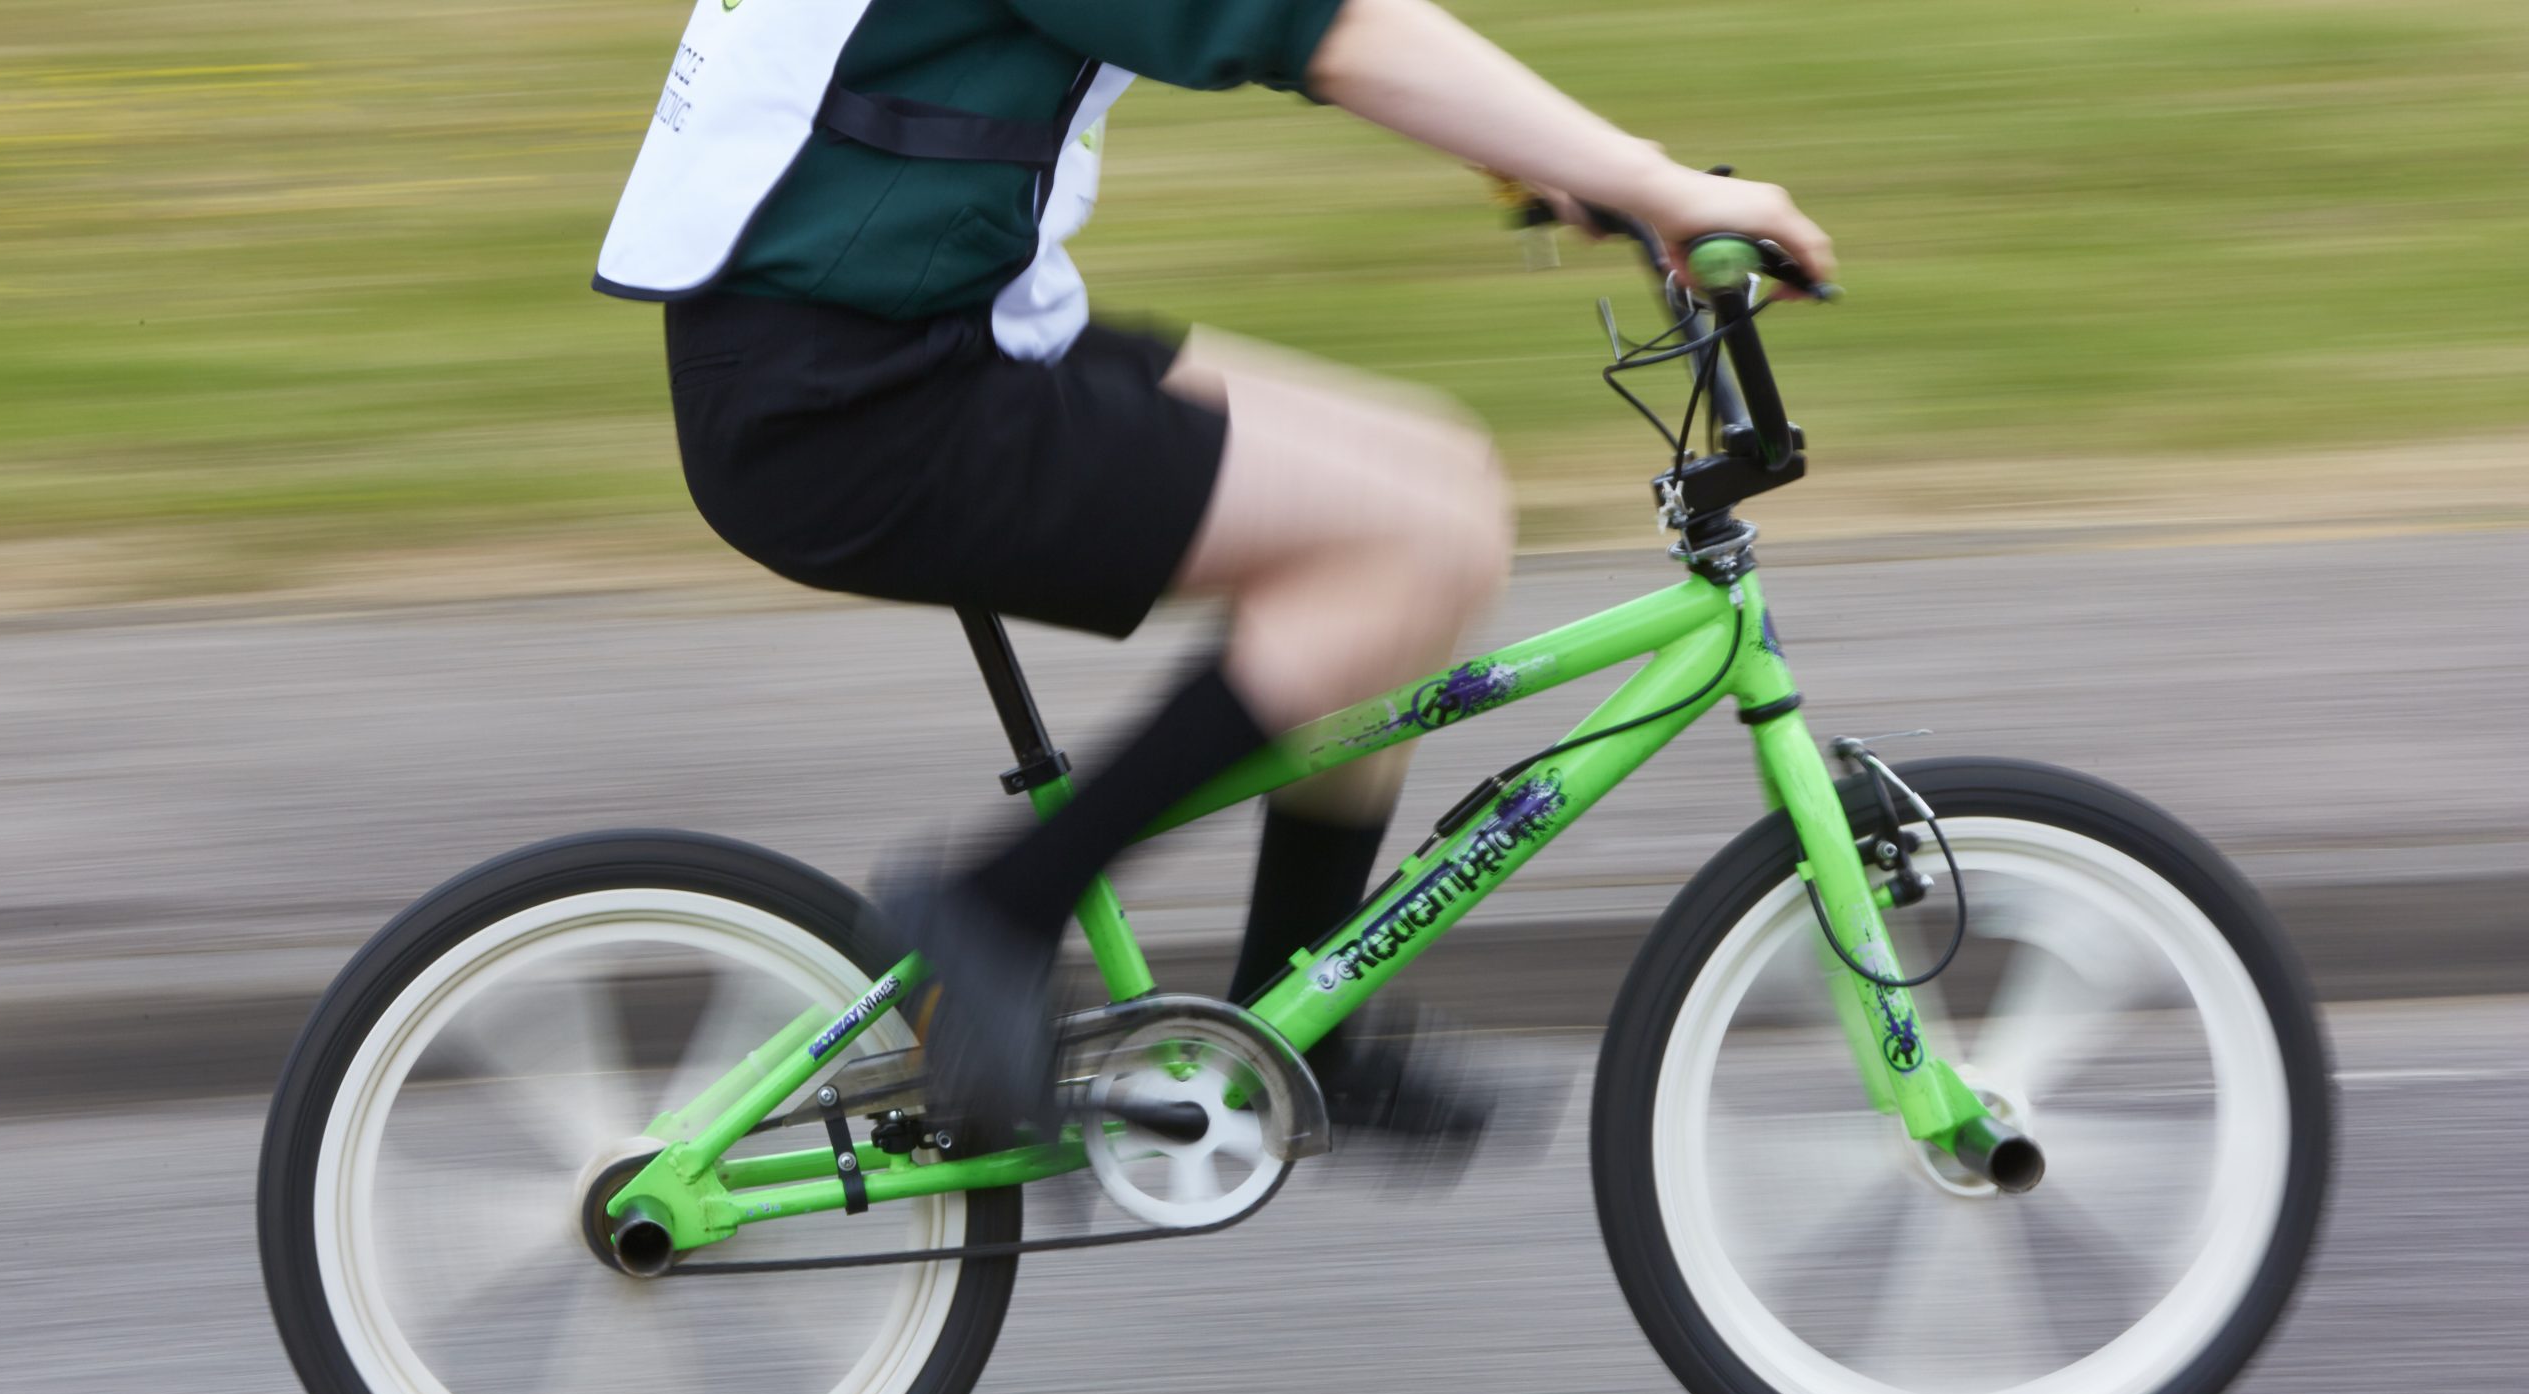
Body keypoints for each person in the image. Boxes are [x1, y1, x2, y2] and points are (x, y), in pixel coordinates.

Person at [597, 0, 1834, 1143]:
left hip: (902, 341)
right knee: (1412, 535)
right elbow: (1324, 28)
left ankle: (1301, 1007)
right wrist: (1649, 181)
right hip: (860, 400)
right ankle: (1001, 907)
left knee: (1438, 483)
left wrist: (1567, 161)